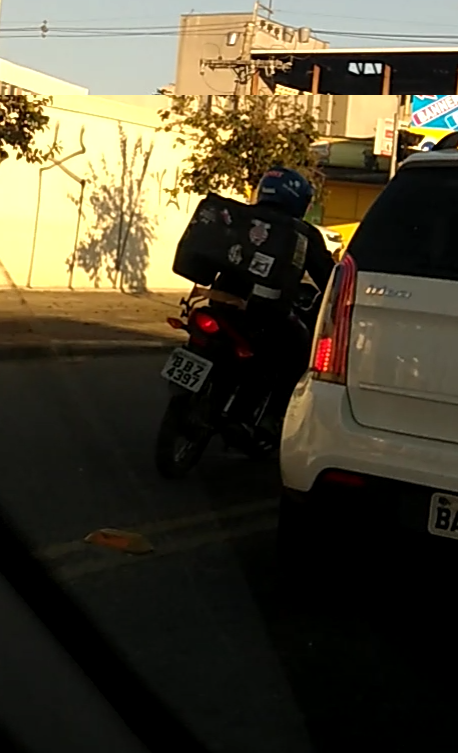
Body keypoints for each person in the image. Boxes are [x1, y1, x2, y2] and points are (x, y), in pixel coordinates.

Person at [214, 166, 335, 431]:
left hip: (220, 300)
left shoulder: (241, 215)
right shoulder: (304, 233)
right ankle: (271, 416)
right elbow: (328, 277)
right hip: (264, 312)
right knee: (298, 347)